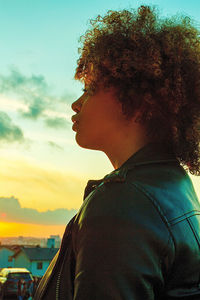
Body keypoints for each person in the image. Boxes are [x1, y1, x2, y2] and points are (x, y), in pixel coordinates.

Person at [34, 5, 200, 300]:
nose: (76, 103)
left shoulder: (122, 203)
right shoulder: (175, 186)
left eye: (91, 88)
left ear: (138, 102)